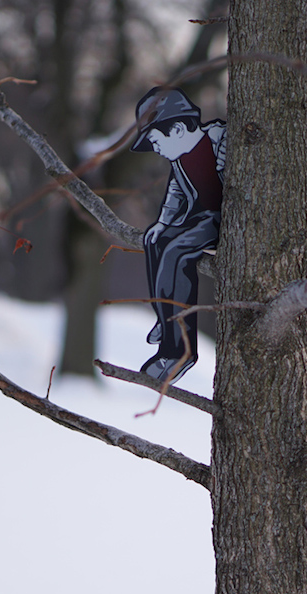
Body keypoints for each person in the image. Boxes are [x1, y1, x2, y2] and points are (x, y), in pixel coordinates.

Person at [131, 87, 226, 382]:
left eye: (155, 140)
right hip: (196, 218)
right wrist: (162, 223)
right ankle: (165, 317)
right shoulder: (180, 158)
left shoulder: (220, 142)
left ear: (177, 128)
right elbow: (175, 192)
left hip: (220, 221)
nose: (155, 149)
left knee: (177, 253)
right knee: (156, 240)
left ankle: (180, 351)